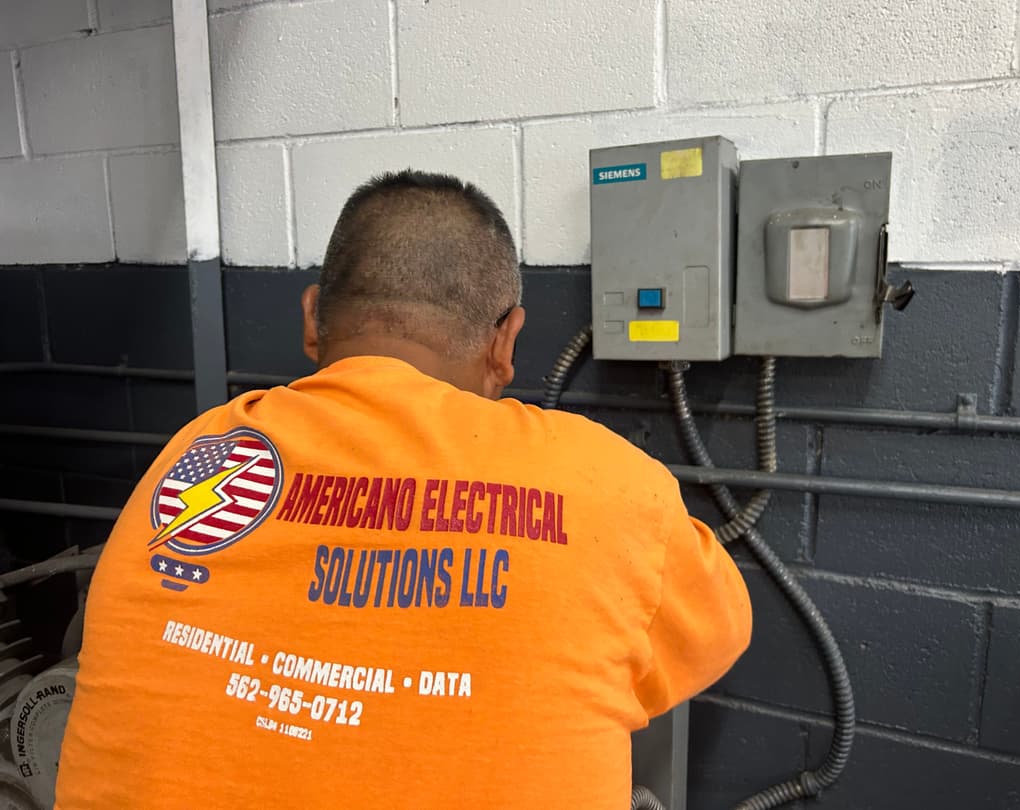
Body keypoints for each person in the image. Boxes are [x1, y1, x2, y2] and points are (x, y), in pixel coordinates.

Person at [55, 170, 751, 808]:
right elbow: (715, 635)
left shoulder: (198, 452)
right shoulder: (609, 488)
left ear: (309, 319)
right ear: (506, 341)